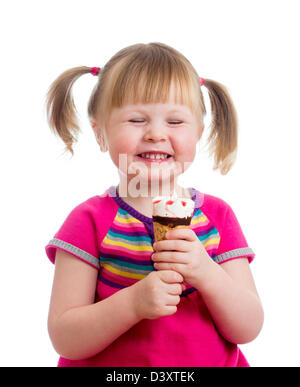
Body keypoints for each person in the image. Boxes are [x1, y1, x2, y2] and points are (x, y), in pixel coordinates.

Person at [44, 42, 264, 367]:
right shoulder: (89, 220)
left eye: (175, 122)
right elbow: (65, 338)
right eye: (136, 120)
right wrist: (132, 303)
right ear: (100, 133)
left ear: (199, 132)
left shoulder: (218, 217)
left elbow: (248, 327)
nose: (156, 134)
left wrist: (206, 272)